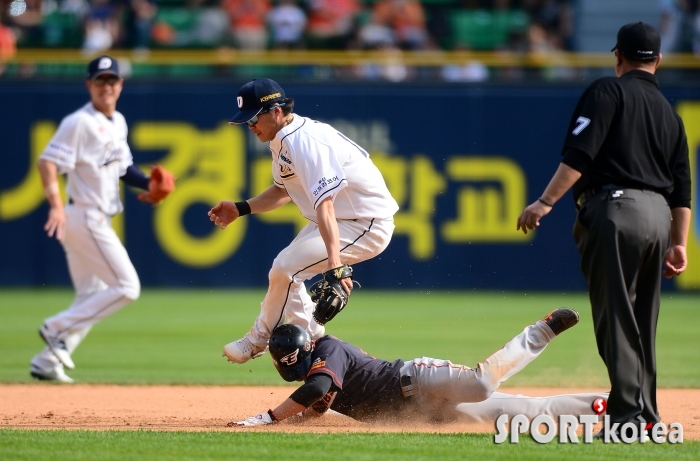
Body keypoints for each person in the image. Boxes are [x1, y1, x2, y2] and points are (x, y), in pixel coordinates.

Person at [516, 22, 691, 436]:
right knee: (642, 322)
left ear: (618, 56)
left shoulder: (607, 91)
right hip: (658, 219)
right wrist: (679, 243)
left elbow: (580, 153)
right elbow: (683, 189)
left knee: (616, 318)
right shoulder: (670, 113)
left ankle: (627, 419)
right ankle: (646, 416)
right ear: (659, 61)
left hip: (617, 211)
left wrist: (544, 202)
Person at [208, 78, 399, 364]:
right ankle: (314, 340)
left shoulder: (303, 141)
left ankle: (258, 339)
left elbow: (325, 202)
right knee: (285, 272)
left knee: (286, 268)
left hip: (366, 224)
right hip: (342, 219)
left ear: (275, 111)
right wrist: (241, 208)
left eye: (253, 119)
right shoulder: (281, 138)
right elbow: (284, 190)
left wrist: (335, 265)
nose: (250, 126)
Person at [31, 55, 175, 383]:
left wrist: (150, 185)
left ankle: (45, 362)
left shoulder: (118, 121)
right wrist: (54, 204)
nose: (106, 86)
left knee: (89, 296)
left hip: (92, 218)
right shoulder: (78, 122)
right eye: (100, 80)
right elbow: (47, 162)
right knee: (127, 287)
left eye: (112, 80)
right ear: (89, 85)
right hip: (85, 216)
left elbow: (123, 168)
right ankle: (55, 328)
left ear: (120, 85)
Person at [229, 308, 609, 426]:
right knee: (518, 412)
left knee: (481, 385)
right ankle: (610, 404)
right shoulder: (319, 374)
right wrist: (291, 420)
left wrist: (269, 417)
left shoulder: (330, 348)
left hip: (421, 379)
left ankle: (541, 330)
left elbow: (314, 390)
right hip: (426, 412)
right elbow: (315, 402)